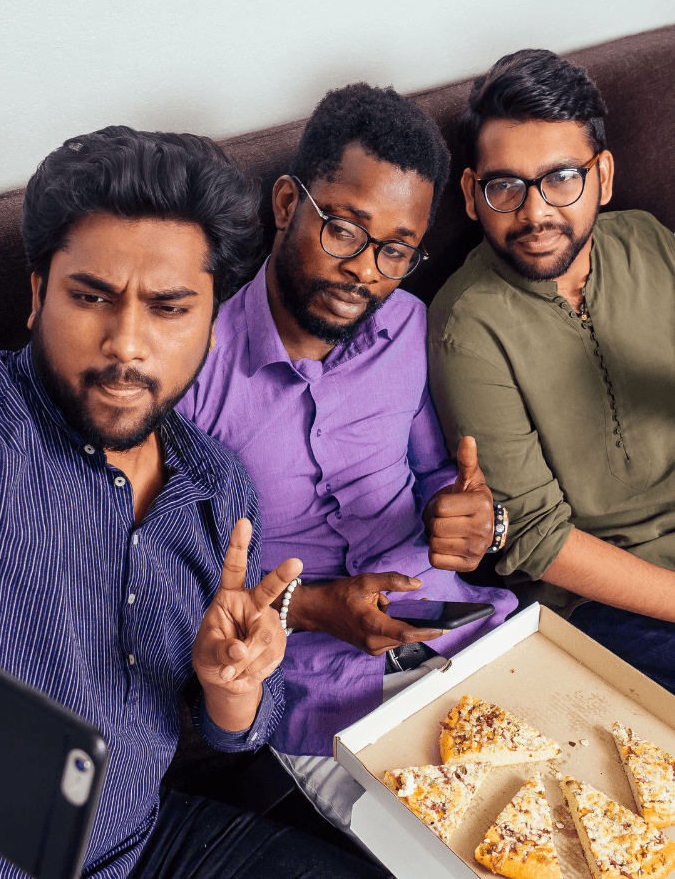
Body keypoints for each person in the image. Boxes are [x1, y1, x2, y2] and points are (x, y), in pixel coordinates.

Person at [0, 127, 389, 879]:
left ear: (210, 322)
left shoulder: (218, 487)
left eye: (168, 308)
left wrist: (235, 684)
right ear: (38, 295)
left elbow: (238, 734)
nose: (126, 344)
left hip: (134, 846)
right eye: (92, 297)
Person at [177, 83, 517, 833]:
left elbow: (437, 482)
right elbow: (178, 585)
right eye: (343, 229)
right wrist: (314, 609)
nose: (366, 269)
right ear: (285, 204)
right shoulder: (196, 374)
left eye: (395, 249)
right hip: (320, 692)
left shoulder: (406, 326)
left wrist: (469, 518)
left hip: (465, 634)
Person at [428, 49, 675, 694]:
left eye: (562, 178)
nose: (535, 212)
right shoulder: (467, 325)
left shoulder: (647, 242)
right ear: (471, 195)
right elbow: (540, 540)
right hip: (606, 605)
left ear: (604, 177)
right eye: (504, 186)